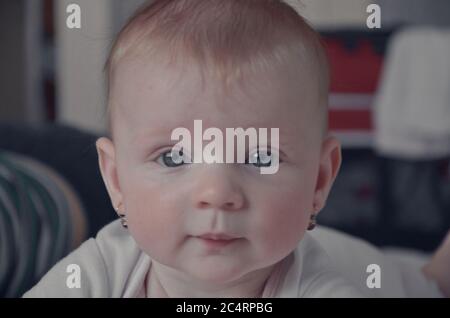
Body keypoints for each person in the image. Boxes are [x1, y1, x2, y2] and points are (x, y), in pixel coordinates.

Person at [24, 0, 448, 297]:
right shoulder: (99, 269)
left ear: (319, 180)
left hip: (391, 277)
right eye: (173, 156)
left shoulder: (323, 287)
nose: (217, 193)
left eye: (260, 157)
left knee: (428, 284)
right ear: (116, 180)